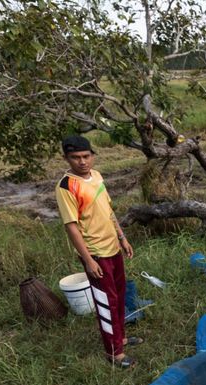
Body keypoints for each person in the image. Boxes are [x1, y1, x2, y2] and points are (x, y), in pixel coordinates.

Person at [55, 135, 142, 368]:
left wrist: (122, 238)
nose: (82, 162)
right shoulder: (66, 186)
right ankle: (114, 353)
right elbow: (71, 227)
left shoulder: (97, 176)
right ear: (66, 158)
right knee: (107, 302)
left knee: (120, 295)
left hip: (113, 247)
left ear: (92, 156)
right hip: (95, 253)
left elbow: (109, 211)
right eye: (75, 157)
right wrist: (88, 260)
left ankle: (121, 338)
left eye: (86, 156)